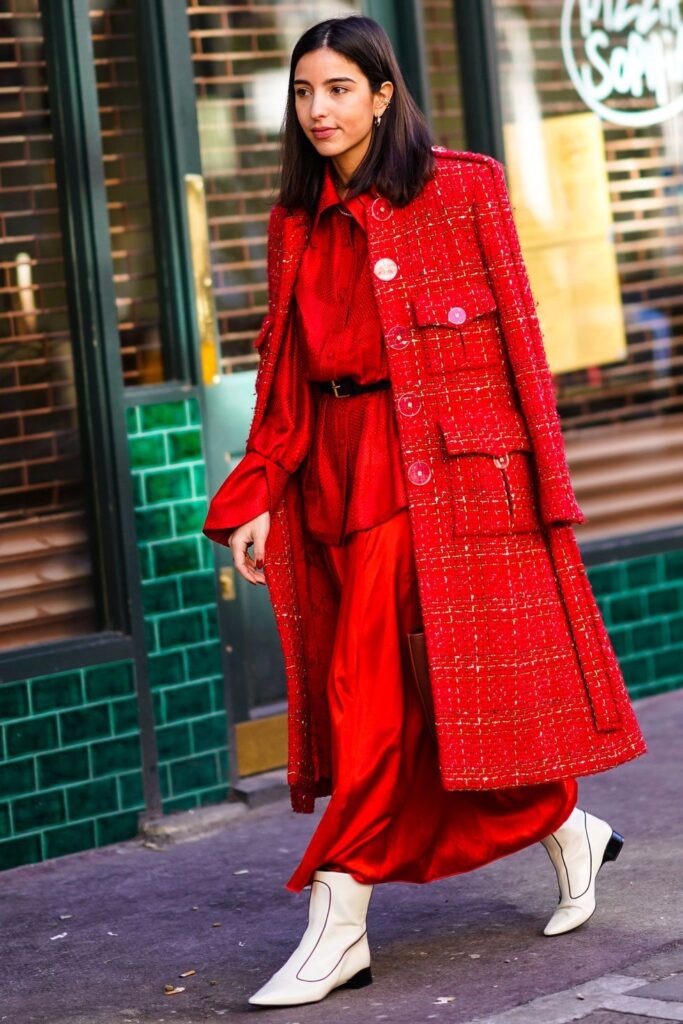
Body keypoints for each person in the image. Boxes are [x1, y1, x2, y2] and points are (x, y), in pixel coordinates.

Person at [202, 15, 648, 1009]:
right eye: (303, 92)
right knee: (413, 700)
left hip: (441, 483)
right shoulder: (292, 218)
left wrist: (544, 497)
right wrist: (259, 493)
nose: (317, 110)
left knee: (366, 696)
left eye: (336, 90)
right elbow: (283, 373)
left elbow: (521, 350)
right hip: (334, 475)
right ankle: (562, 823)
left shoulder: (462, 187)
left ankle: (338, 915)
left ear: (381, 94)